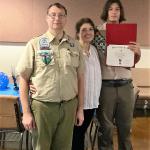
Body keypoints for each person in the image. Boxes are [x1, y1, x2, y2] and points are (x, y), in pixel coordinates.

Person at [16, 3, 84, 150]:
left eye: (61, 15)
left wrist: (80, 109)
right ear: (46, 18)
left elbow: (80, 79)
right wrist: (26, 112)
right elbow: (23, 78)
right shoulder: (35, 44)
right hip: (43, 108)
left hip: (69, 106)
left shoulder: (75, 45)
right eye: (52, 14)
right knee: (41, 147)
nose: (57, 18)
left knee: (64, 147)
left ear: (66, 19)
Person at [92, 0, 141, 150]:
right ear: (106, 12)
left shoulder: (128, 31)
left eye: (117, 9)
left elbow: (132, 61)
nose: (114, 12)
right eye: (111, 9)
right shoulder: (97, 32)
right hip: (106, 86)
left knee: (125, 128)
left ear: (121, 12)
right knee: (105, 129)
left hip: (125, 84)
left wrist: (138, 53)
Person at [71, 18, 101, 150]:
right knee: (76, 135)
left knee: (80, 134)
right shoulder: (73, 50)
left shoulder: (94, 50)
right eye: (84, 30)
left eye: (90, 29)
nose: (88, 32)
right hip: (78, 103)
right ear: (77, 33)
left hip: (92, 102)